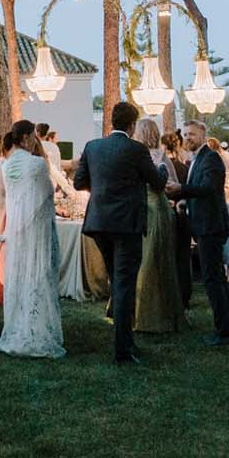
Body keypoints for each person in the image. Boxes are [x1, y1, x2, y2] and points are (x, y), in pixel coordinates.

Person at [73, 100, 165, 365]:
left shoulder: (93, 146)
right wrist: (160, 168)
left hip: (99, 223)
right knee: (124, 284)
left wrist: (102, 186)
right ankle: (123, 350)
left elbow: (79, 183)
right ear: (132, 125)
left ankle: (124, 339)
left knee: (117, 280)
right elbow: (157, 183)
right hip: (126, 225)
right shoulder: (136, 149)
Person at [0, 119, 65, 358]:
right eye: (33, 136)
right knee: (38, 274)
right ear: (25, 138)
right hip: (37, 230)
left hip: (16, 230)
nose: (35, 140)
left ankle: (18, 325)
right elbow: (47, 194)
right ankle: (38, 329)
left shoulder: (6, 166)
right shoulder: (37, 164)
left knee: (20, 276)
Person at [167, 119, 229, 347]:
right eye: (186, 134)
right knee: (213, 278)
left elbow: (208, 188)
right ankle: (225, 328)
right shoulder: (197, 159)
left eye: (192, 134)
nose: (188, 138)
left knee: (213, 279)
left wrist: (180, 189)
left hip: (211, 226)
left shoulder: (211, 158)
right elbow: (199, 191)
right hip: (203, 223)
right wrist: (184, 201)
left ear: (203, 136)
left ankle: (224, 332)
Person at [130, 117, 186, 335]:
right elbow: (172, 185)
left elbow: (172, 185)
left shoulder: (155, 155)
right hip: (152, 208)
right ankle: (152, 313)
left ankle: (147, 316)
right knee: (152, 259)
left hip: (151, 209)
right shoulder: (156, 156)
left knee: (149, 259)